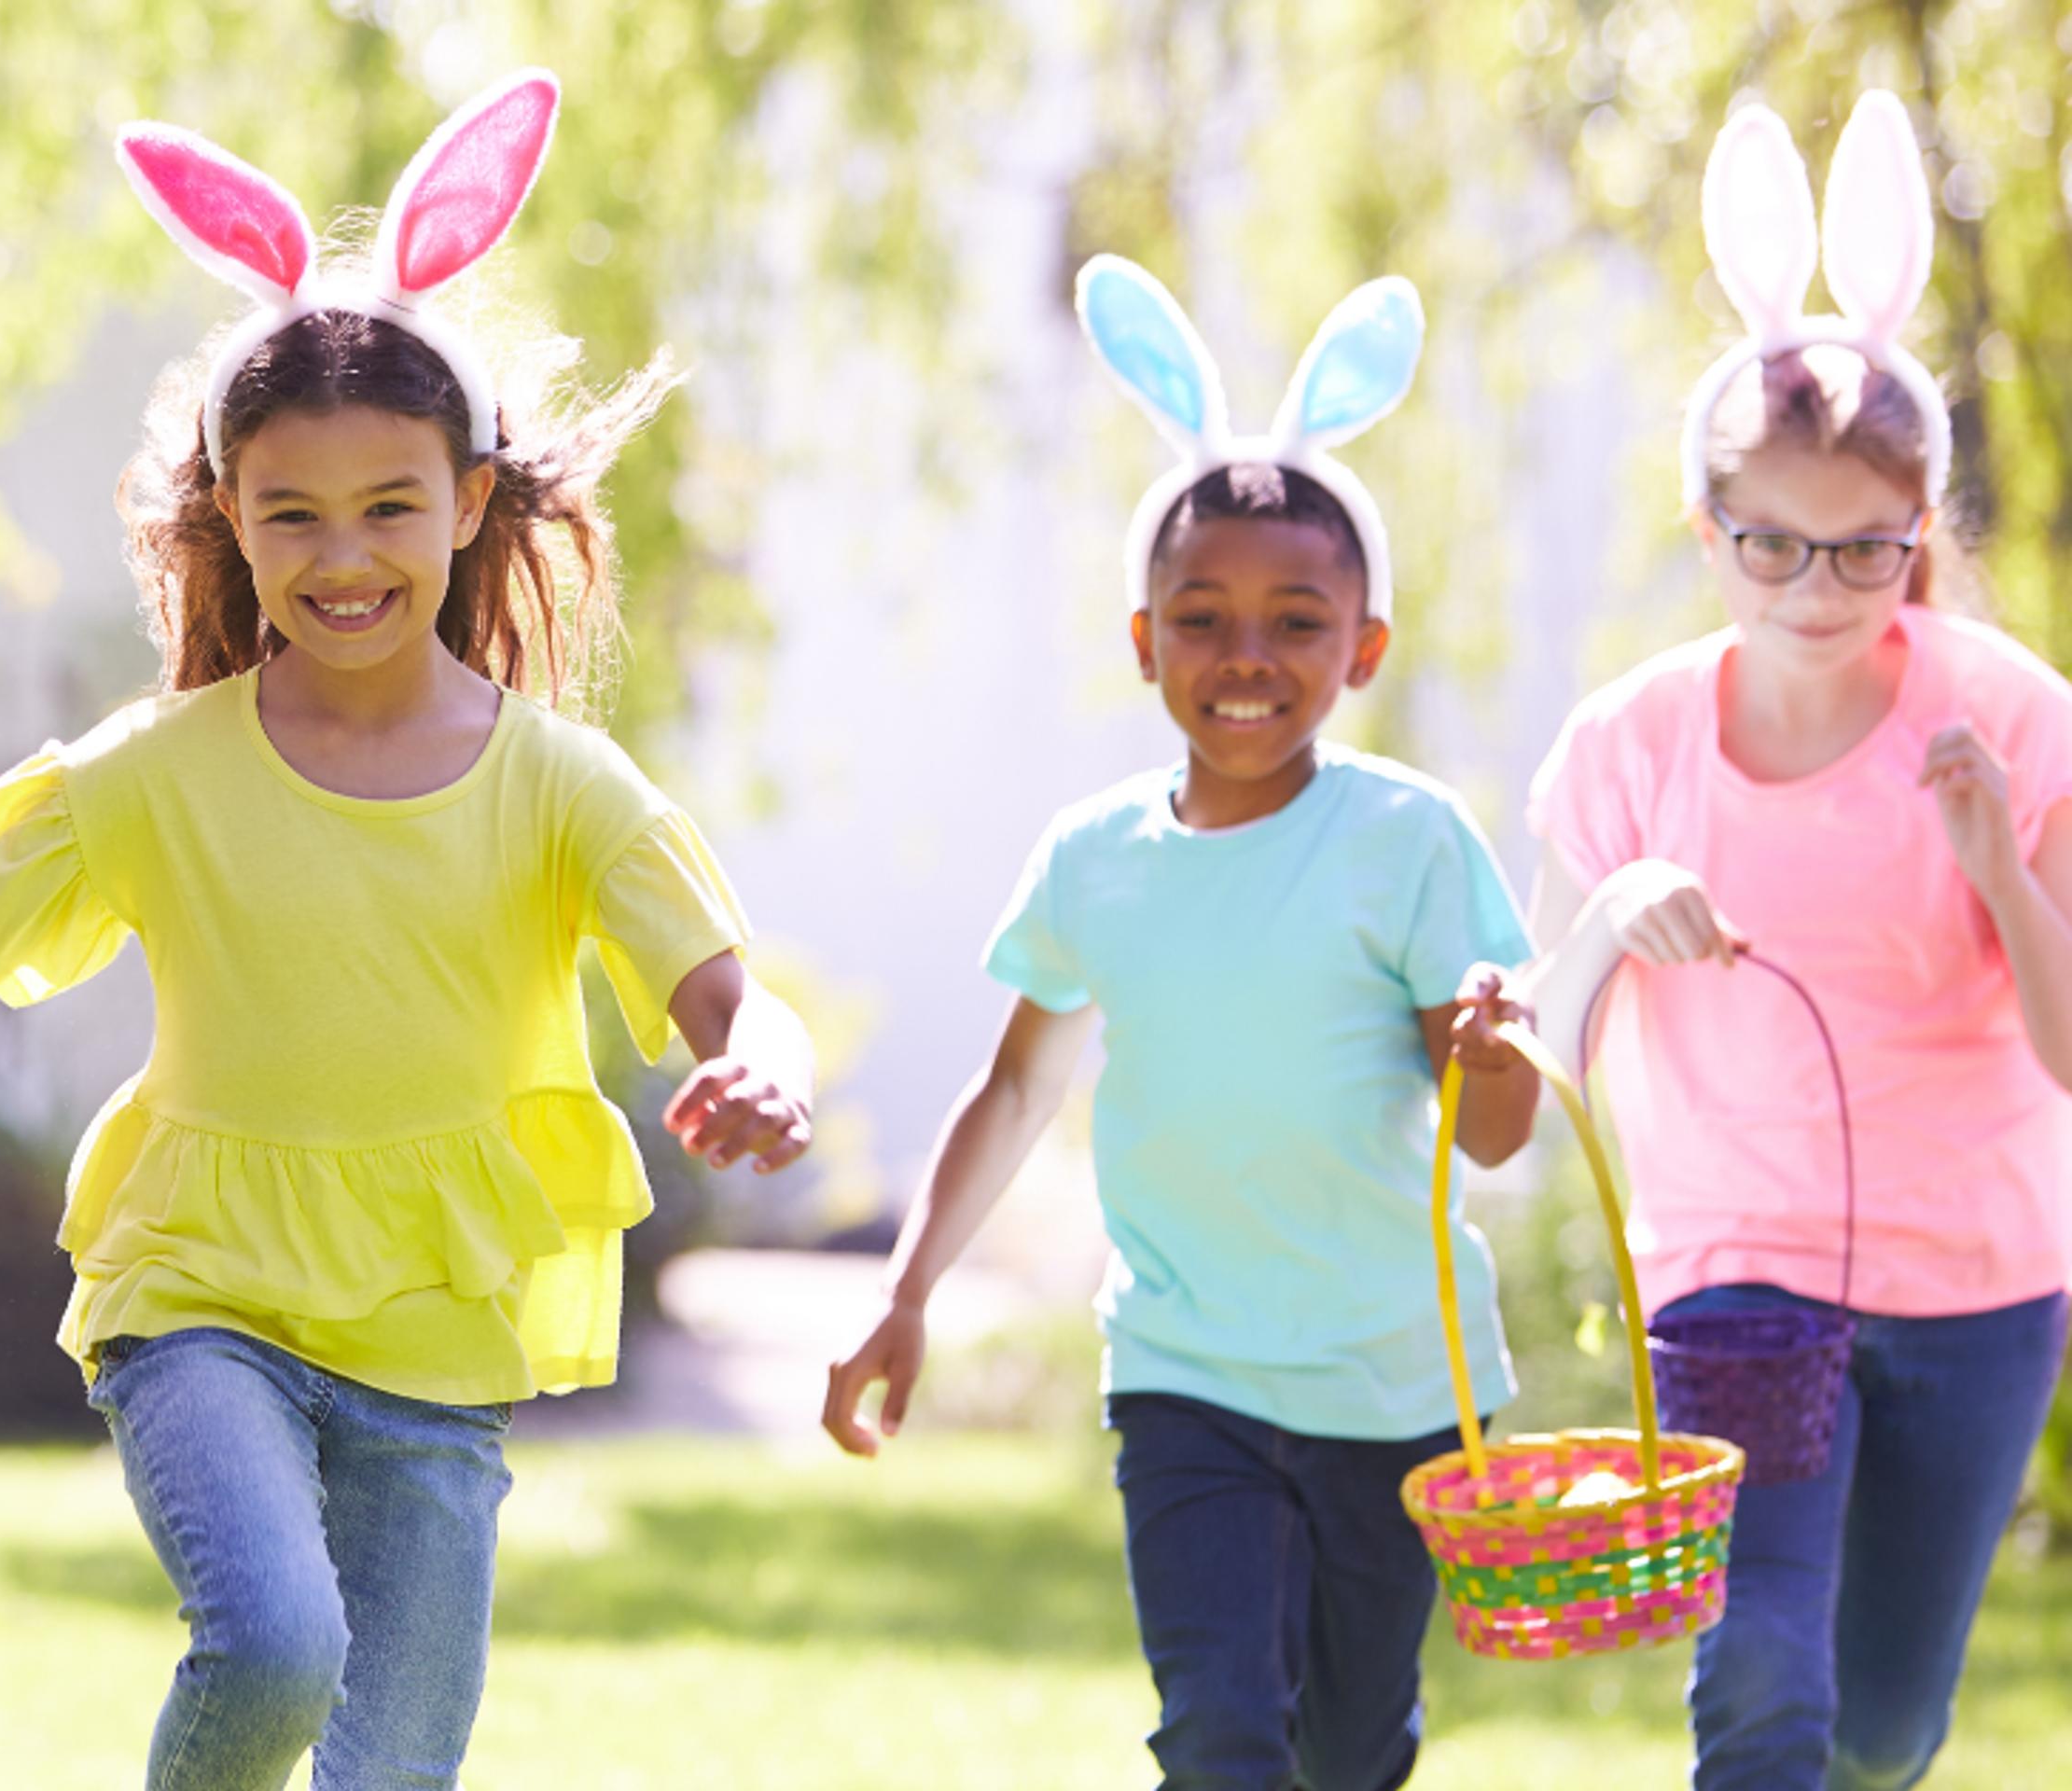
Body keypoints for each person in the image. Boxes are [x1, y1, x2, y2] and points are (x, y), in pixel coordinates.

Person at [0, 73, 814, 1790]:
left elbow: (732, 996)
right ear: (228, 520)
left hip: (438, 1331)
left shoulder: (563, 788)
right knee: (274, 1650)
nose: (343, 557)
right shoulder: (155, 774)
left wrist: (763, 1075)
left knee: (393, 1765)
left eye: (388, 508)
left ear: (472, 499)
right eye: (293, 515)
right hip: (203, 1298)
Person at [822, 256, 1538, 1791]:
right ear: (1144, 640)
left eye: (1296, 618)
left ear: (1365, 648)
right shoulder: (1096, 859)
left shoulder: (1409, 840)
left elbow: (1487, 1130)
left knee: (1349, 1748)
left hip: (1395, 1383)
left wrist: (1492, 1058)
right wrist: (905, 1292)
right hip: (1186, 1373)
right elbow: (1013, 1094)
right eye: (1201, 617)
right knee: (1219, 1729)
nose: (1247, 656)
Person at [1499, 93, 2072, 1791]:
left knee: (1883, 1724)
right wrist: (1614, 911)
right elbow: (1535, 1044)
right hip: (1737, 1277)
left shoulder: (2018, 725)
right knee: (1760, 1671)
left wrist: (1998, 864)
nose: (1816, 586)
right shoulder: (1628, 744)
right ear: (1707, 529)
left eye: (1864, 551)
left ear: (1921, 533)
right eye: (1770, 542)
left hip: (1976, 1281)